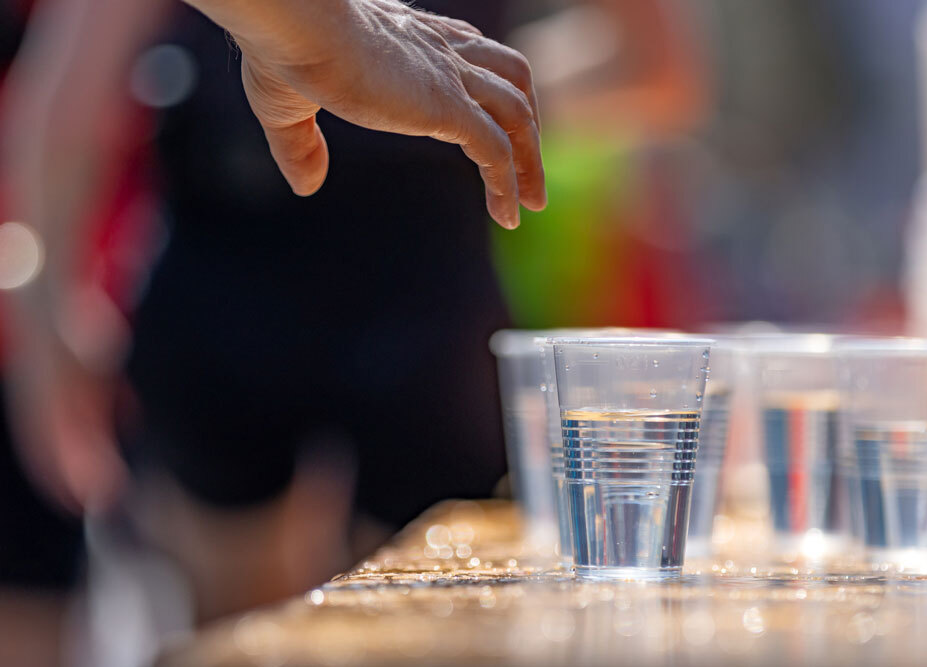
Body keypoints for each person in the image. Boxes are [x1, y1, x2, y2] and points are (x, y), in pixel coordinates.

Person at [0, 0, 545, 660]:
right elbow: (69, 95)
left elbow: (67, 100)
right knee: (258, 626)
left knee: (413, 623)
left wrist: (474, 84)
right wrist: (47, 312)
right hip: (243, 257)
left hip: (406, 266)